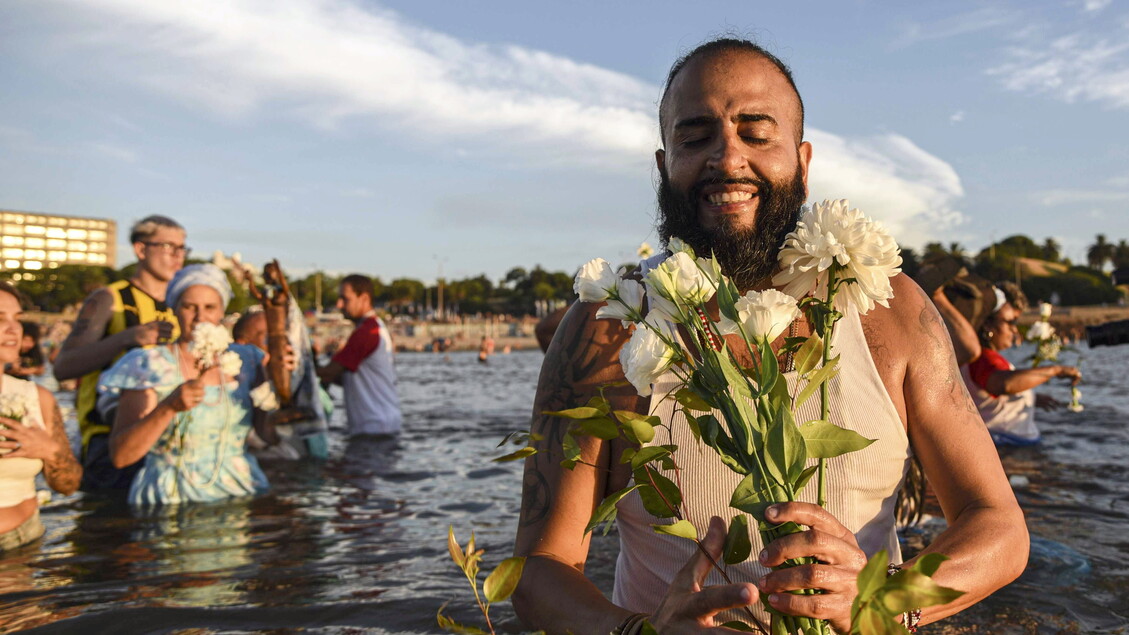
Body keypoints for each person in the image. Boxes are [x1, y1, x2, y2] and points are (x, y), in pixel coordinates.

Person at [512, 38, 1027, 633]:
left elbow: (999, 527)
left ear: (803, 164)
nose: (727, 159)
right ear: (663, 167)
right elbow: (539, 567)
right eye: (695, 136)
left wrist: (880, 599)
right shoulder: (606, 328)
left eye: (756, 134)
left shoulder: (889, 309)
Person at [97, 264, 273, 506]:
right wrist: (167, 408)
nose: (200, 317)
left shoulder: (248, 360)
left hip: (239, 489)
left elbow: (268, 435)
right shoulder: (148, 365)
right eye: (190, 307)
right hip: (171, 496)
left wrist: (281, 385)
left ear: (222, 310)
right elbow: (121, 456)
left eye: (210, 307)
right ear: (175, 309)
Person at [53, 215, 186, 492]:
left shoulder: (183, 306)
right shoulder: (109, 299)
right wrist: (127, 338)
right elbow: (63, 367)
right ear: (141, 249)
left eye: (182, 248)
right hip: (109, 438)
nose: (177, 256)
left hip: (167, 439)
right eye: (168, 247)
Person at [0, 282, 82, 551]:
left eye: (17, 319)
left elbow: (69, 485)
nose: (13, 329)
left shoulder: (37, 398)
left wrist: (50, 450)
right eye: (0, 319)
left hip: (24, 541)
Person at [962, 287, 1081, 446]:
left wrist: (1032, 399)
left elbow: (990, 397)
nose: (1014, 329)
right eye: (1010, 322)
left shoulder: (984, 358)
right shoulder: (983, 358)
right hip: (1006, 446)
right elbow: (1003, 384)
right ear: (987, 325)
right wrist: (1055, 370)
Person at [316, 275, 402, 436]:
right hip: (379, 423)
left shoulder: (366, 333)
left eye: (345, 299)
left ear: (364, 298)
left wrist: (306, 365)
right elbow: (347, 378)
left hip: (374, 427)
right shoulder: (374, 328)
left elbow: (330, 372)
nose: (339, 304)